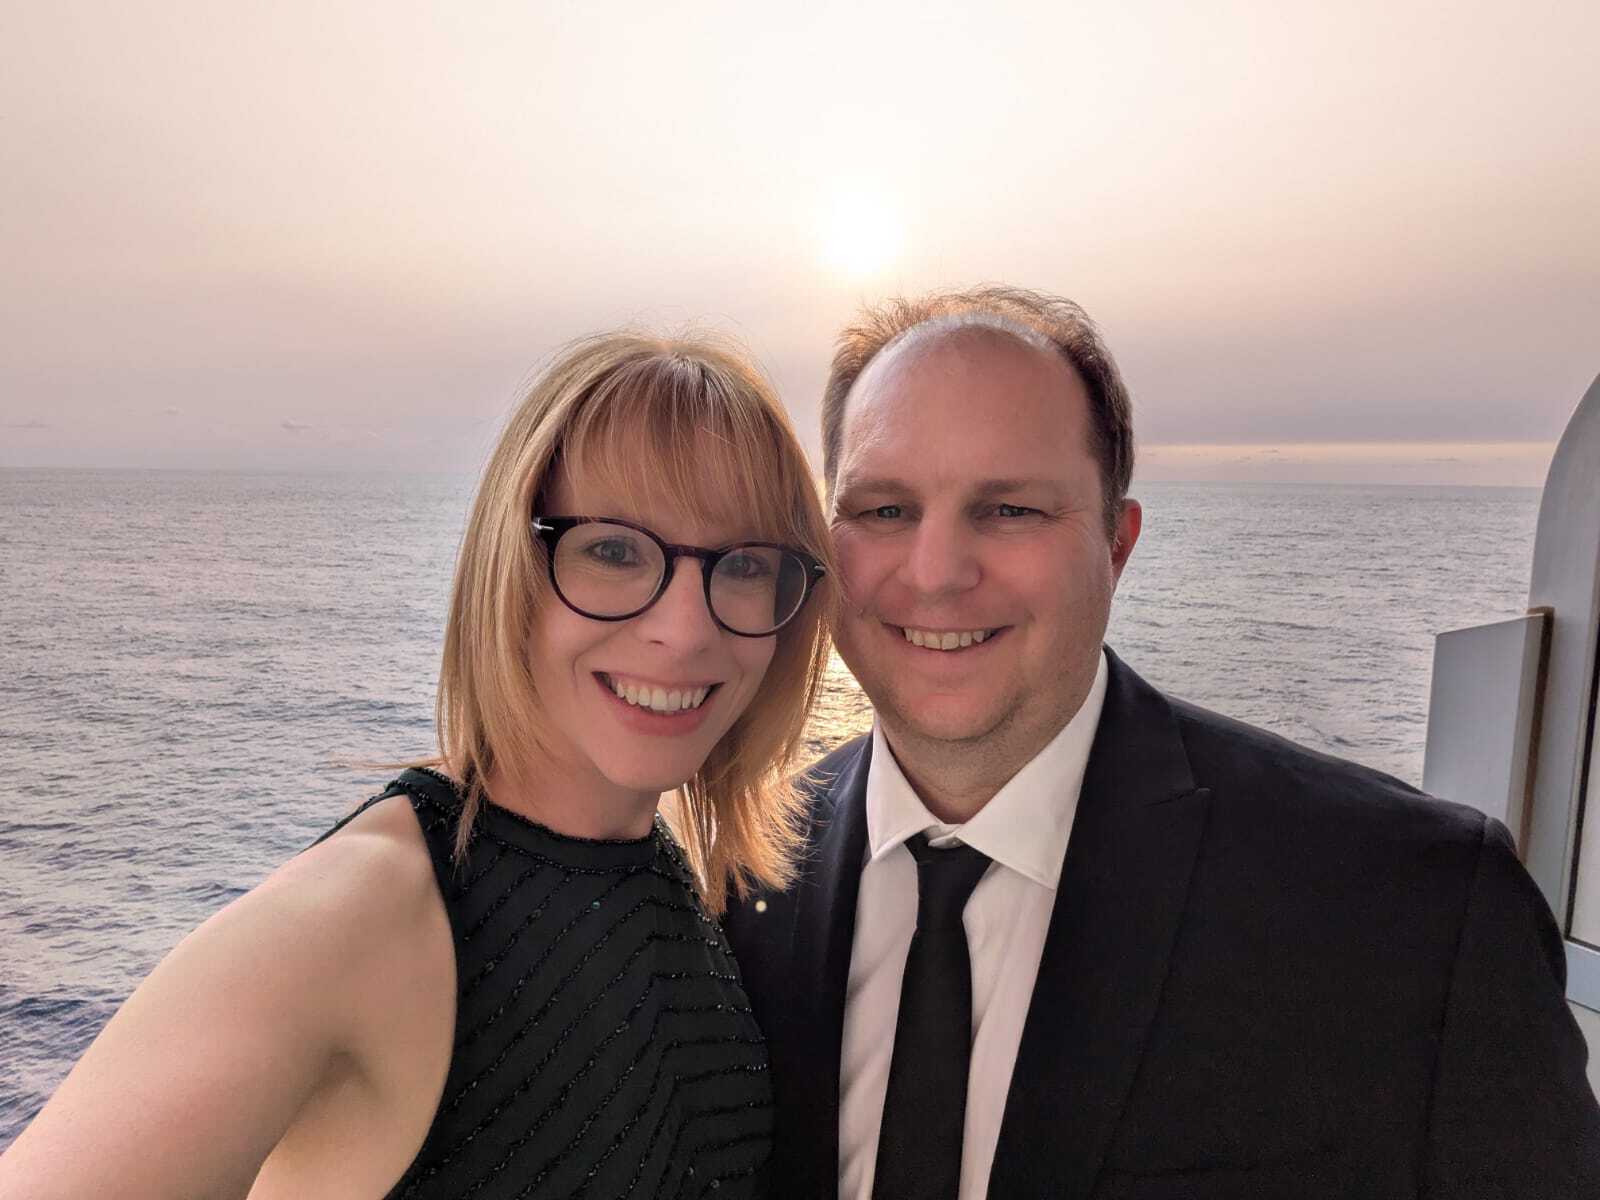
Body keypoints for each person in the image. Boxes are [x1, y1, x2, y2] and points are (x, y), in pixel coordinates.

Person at [723, 286, 1600, 1199]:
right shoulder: (741, 887)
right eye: (885, 511)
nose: (937, 575)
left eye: (1011, 509)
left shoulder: (1418, 911)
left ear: (1118, 543)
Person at [0, 332, 835, 1199]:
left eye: (741, 564)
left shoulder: (670, 875)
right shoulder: (354, 916)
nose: (686, 629)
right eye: (616, 550)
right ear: (513, 567)